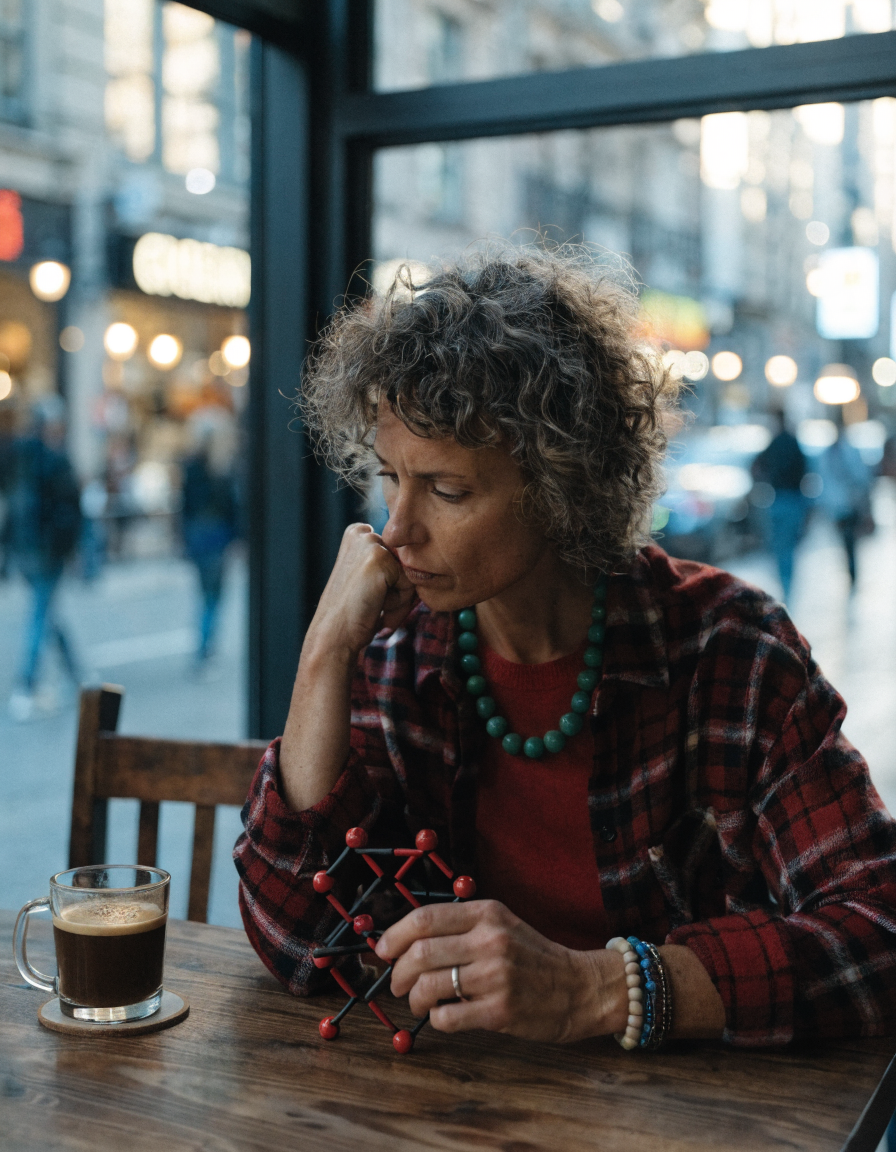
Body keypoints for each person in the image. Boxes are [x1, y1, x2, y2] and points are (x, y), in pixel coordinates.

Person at [234, 246, 896, 1049]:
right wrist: (322, 656)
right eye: (388, 478)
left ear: (563, 484)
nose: (397, 531)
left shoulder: (732, 652)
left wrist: (602, 990)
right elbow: (303, 942)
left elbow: (878, 935)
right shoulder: (397, 653)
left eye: (448, 490)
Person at [0, 395, 82, 719]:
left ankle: (75, 673)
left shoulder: (17, 456)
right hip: (44, 550)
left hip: (24, 548)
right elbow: (68, 511)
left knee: (46, 609)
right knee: (40, 612)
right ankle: (27, 683)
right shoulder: (51, 459)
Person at [181, 407, 239, 665]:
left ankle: (204, 643)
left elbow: (184, 506)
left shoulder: (192, 467)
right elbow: (233, 508)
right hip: (216, 536)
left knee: (204, 594)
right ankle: (206, 644)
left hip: (198, 536)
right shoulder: (221, 470)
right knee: (214, 596)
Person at [750, 407, 806, 603]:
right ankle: (787, 586)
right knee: (787, 545)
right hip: (791, 498)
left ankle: (785, 584)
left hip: (782, 498)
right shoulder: (792, 442)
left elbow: (757, 464)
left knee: (781, 545)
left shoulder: (776, 443)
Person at [817, 417, 873, 589]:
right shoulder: (828, 453)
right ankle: (850, 569)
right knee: (844, 540)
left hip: (850, 502)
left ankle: (852, 571)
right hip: (837, 505)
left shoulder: (850, 451)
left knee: (850, 540)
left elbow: (861, 475)